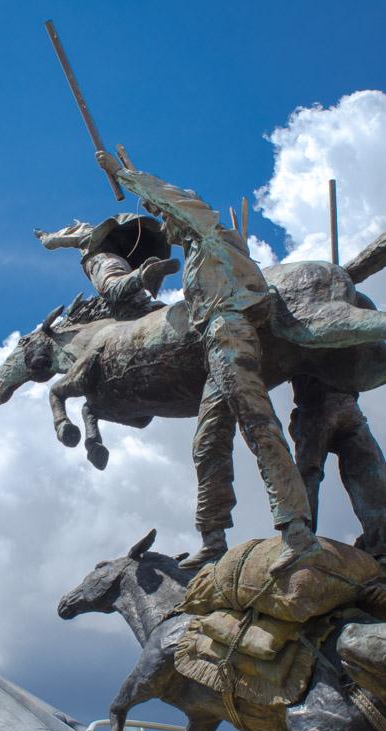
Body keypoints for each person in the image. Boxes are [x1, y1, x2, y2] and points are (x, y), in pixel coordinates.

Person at [96, 150, 319, 573]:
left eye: (168, 219)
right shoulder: (200, 257)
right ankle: (213, 538)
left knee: (258, 424)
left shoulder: (211, 233)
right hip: (213, 348)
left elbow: (170, 199)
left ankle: (295, 530)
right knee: (208, 443)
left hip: (231, 335)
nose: (166, 227)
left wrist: (123, 174)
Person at [290, 375, 386, 564]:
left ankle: (298, 538)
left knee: (368, 473)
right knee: (368, 472)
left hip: (341, 406)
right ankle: (298, 539)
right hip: (321, 404)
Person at [34, 213, 179, 320]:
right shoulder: (108, 233)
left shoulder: (83, 231)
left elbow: (52, 242)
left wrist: (43, 236)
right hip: (125, 264)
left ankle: (144, 273)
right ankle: (158, 306)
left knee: (112, 287)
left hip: (102, 259)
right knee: (137, 303)